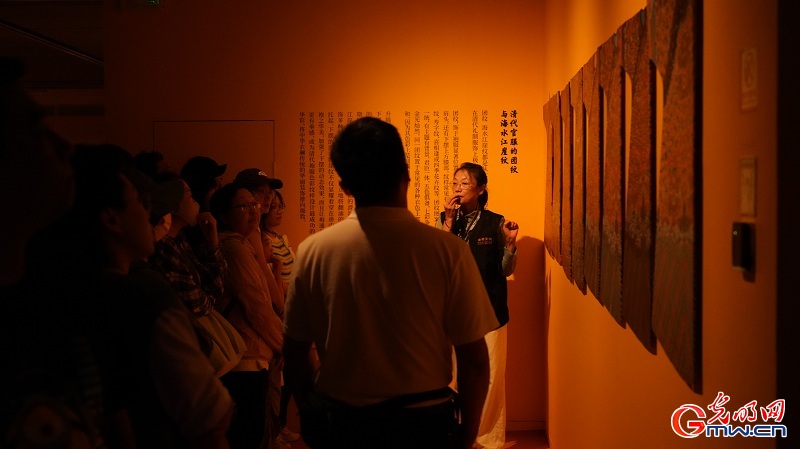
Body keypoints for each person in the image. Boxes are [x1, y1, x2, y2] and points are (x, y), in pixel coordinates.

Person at [283, 117, 498, 449]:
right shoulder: (447, 250)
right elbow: (473, 358)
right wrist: (467, 434)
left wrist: (312, 414)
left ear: (345, 187)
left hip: (341, 423)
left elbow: (296, 349)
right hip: (424, 423)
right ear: (406, 174)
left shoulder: (313, 250)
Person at [439, 162, 519, 449]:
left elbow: (505, 270)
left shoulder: (496, 222)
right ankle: (455, 435)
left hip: (491, 311)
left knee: (492, 375)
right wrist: (448, 223)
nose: (458, 188)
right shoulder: (446, 219)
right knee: (452, 376)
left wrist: (510, 245)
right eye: (455, 183)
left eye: (465, 183)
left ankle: (486, 439)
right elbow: (442, 262)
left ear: (481, 189)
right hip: (455, 312)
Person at [210, 183, 285, 449]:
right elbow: (257, 305)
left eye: (253, 205)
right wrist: (282, 344)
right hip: (246, 356)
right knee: (249, 435)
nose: (254, 211)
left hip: (252, 353)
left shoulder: (241, 243)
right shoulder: (234, 248)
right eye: (243, 206)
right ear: (223, 215)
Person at [261, 189, 301, 445]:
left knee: (289, 376)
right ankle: (275, 429)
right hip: (281, 312)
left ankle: (281, 424)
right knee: (281, 374)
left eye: (280, 205)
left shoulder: (279, 237)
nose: (278, 210)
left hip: (291, 311)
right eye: (273, 206)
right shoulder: (263, 241)